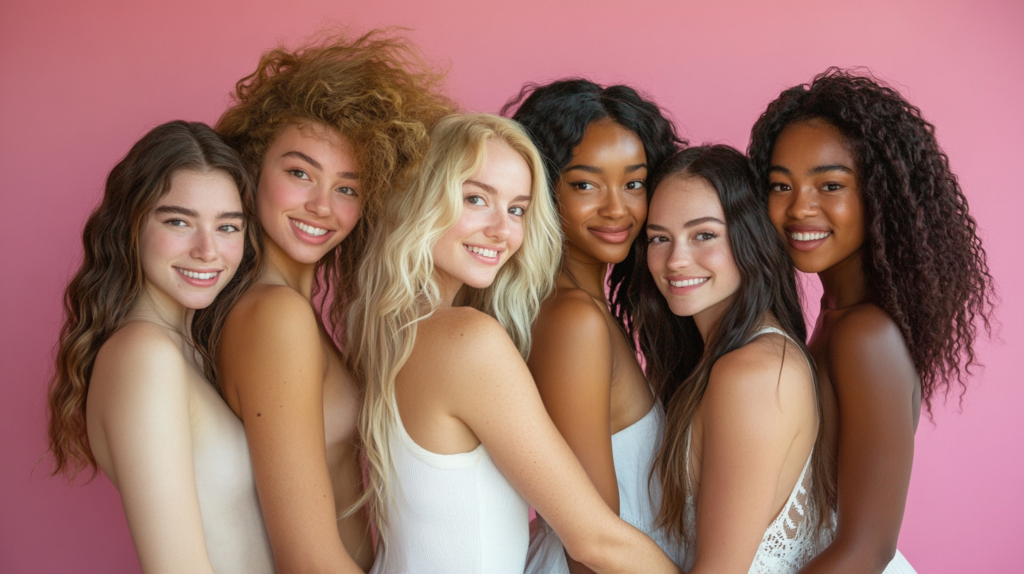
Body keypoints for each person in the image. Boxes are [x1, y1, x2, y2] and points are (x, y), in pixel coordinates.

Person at [346, 113, 681, 574]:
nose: (502, 230)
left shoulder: (392, 330)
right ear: (421, 197)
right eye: (476, 198)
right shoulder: (468, 340)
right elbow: (594, 540)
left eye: (518, 209)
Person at [193, 31, 451, 573]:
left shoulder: (284, 308)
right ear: (252, 168)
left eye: (347, 188)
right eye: (300, 173)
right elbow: (306, 558)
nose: (321, 206)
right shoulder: (275, 315)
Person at [747, 68, 995, 574]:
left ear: (878, 195)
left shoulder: (865, 336)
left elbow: (868, 549)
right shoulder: (836, 316)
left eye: (830, 185)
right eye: (780, 185)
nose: (799, 208)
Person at [47, 120, 271, 574]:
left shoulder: (188, 350)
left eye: (228, 227)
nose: (207, 249)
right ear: (130, 225)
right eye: (178, 222)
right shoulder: (143, 355)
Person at [502, 78, 685, 573]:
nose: (616, 208)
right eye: (585, 184)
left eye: (634, 183)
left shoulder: (584, 308)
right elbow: (590, 547)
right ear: (544, 188)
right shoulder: (573, 320)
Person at [621, 145, 830, 573]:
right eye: (659, 238)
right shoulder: (718, 359)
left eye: (704, 235)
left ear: (749, 237)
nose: (676, 260)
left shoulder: (752, 374)